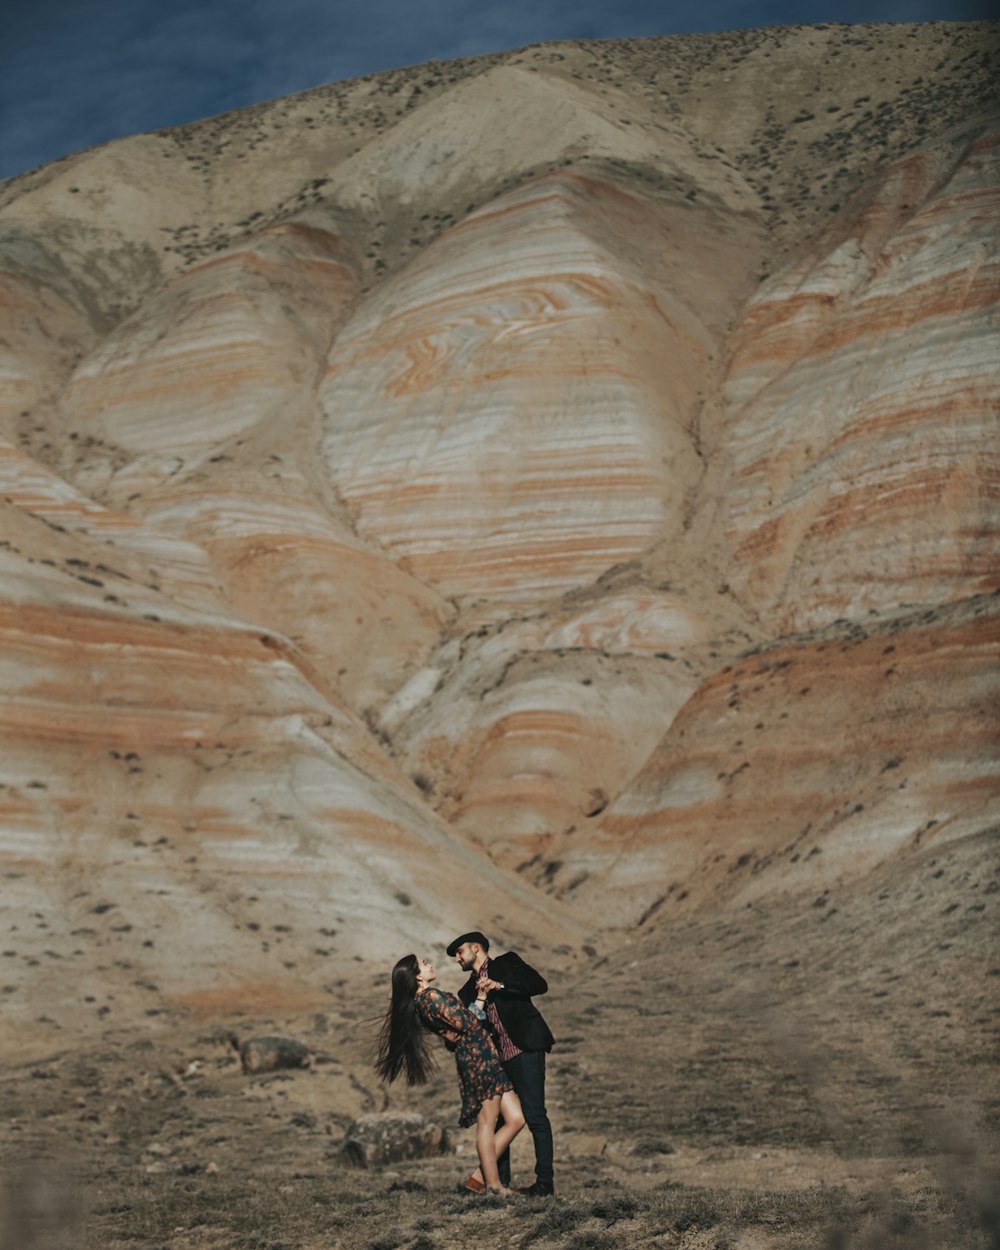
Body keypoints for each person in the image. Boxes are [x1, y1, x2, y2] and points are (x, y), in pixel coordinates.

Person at [375, 953, 525, 1194]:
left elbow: (455, 1031)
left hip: (483, 1054)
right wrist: (481, 998)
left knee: (516, 1118)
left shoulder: (424, 1001)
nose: (429, 964)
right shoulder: (429, 997)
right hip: (477, 1057)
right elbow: (467, 1023)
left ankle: (479, 1178)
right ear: (417, 977)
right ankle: (494, 1186)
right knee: (487, 1122)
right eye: (424, 964)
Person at [447, 931, 555, 1197]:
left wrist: (501, 986)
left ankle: (544, 1184)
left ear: (476, 948)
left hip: (525, 1049)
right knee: (499, 1121)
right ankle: (498, 1182)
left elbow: (539, 985)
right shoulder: (465, 991)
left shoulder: (506, 963)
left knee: (535, 1116)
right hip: (497, 1061)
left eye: (460, 952)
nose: (457, 958)